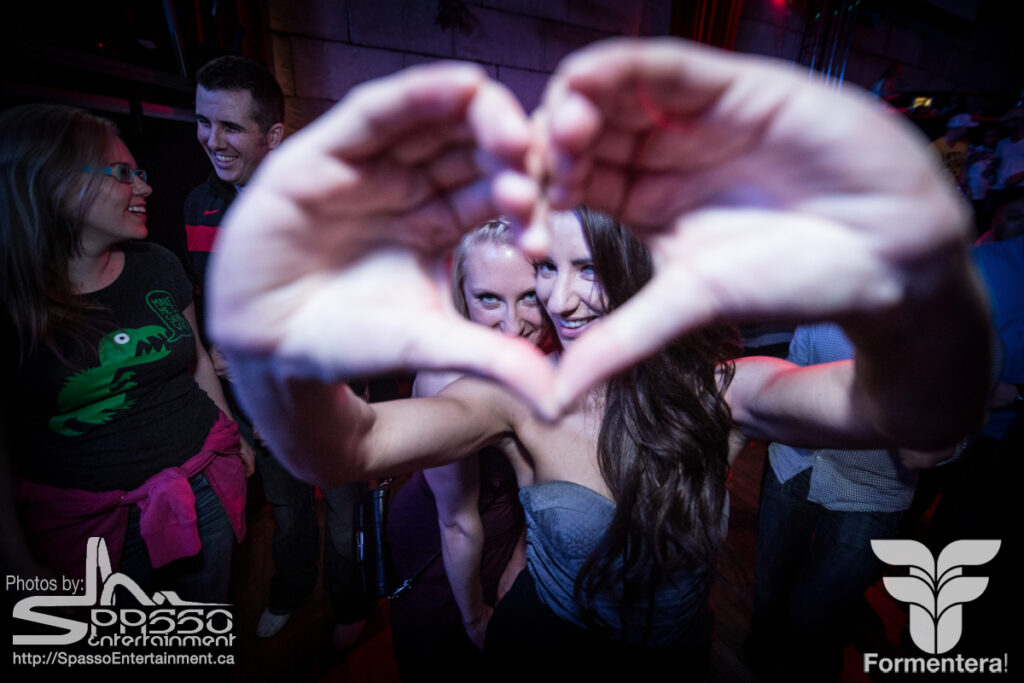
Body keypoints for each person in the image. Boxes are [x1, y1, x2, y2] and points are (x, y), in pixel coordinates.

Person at [206, 38, 990, 678]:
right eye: (550, 267)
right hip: (544, 647)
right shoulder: (522, 394)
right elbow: (355, 444)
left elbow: (908, 414)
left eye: (594, 271)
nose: (564, 300)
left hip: (671, 653)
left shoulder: (722, 392)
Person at [0, 103, 251, 603]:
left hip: (202, 485)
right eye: (122, 174)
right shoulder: (12, 301)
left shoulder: (156, 265)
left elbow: (195, 358)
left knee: (198, 635)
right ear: (55, 185)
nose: (145, 188)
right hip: (87, 527)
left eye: (139, 173)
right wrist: (14, 558)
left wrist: (231, 435)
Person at [185, 54, 370, 644]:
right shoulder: (198, 206)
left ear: (273, 135)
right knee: (287, 513)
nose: (212, 140)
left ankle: (349, 603)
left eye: (230, 126)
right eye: (203, 122)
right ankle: (290, 592)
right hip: (250, 406)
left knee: (343, 516)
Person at [388, 219, 554, 680]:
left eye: (529, 297)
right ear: (463, 296)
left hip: (501, 535)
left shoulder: (534, 358)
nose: (513, 325)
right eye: (489, 300)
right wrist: (475, 618)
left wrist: (519, 563)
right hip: (444, 551)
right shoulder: (448, 378)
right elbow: (458, 523)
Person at [745, 323, 924, 681]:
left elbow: (957, 437)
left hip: (872, 491)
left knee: (817, 611)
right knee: (768, 587)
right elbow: (791, 379)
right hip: (796, 464)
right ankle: (761, 656)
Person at [930, 112, 977, 191]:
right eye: (967, 128)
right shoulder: (934, 147)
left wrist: (962, 182)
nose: (968, 131)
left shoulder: (964, 146)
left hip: (956, 190)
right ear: (959, 128)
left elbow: (964, 166)